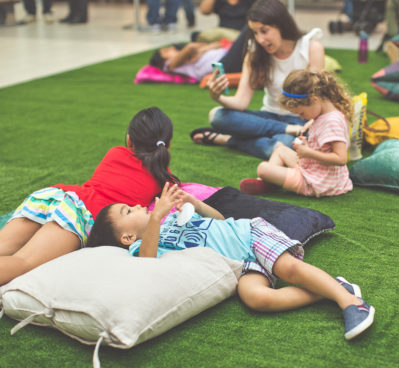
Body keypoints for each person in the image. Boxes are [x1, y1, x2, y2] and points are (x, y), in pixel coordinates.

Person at [87, 183, 375, 341]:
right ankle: (335, 287)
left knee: (288, 268)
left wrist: (195, 204)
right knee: (256, 298)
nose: (138, 206)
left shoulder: (173, 218)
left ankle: (351, 304)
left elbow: (221, 221)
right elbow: (147, 263)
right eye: (128, 211)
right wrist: (155, 218)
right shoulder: (144, 244)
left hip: (248, 235)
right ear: (127, 237)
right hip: (241, 264)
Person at [0, 107, 179, 286]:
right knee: (22, 264)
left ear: (129, 139)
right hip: (77, 214)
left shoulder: (116, 152)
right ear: (168, 144)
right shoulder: (164, 179)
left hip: (54, 196)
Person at [189, 0, 325, 159]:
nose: (260, 39)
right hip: (269, 117)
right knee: (217, 115)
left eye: (264, 31)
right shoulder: (255, 52)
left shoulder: (310, 48)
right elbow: (241, 102)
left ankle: (228, 140)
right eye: (255, 32)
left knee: (282, 146)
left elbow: (317, 100)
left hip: (301, 119)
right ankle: (285, 129)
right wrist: (218, 96)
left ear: (281, 25)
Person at [239, 69, 353, 198]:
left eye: (301, 113)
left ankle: (268, 181)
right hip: (314, 169)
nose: (302, 118)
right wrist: (307, 145)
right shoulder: (322, 114)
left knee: (263, 168)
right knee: (280, 149)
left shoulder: (332, 122)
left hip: (318, 182)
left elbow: (341, 158)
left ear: (314, 100)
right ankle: (269, 182)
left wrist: (308, 152)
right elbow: (324, 147)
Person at [192, 0, 256, 42]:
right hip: (221, 35)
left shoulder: (250, 2)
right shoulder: (221, 2)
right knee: (193, 41)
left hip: (240, 36)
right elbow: (204, 10)